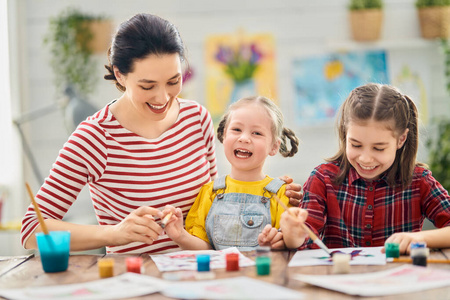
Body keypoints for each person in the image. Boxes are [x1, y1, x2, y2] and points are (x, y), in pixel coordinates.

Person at [20, 14, 302, 254]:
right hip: (134, 282)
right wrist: (113, 233)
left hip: (203, 277)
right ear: (120, 75)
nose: (163, 96)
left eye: (173, 81)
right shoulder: (95, 137)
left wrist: (271, 202)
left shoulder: (196, 119)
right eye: (147, 86)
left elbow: (216, 206)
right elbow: (32, 230)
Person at [277, 83, 450, 254]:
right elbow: (302, 241)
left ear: (401, 139)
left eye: (379, 148)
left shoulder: (420, 181)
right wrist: (292, 233)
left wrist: (419, 239)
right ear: (345, 133)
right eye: (356, 145)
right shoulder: (322, 178)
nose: (365, 158)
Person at [161, 96, 299, 251]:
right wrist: (180, 235)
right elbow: (205, 249)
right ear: (224, 135)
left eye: (257, 133)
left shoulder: (282, 194)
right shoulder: (209, 192)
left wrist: (278, 242)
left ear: (274, 146)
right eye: (237, 129)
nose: (244, 138)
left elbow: (292, 243)